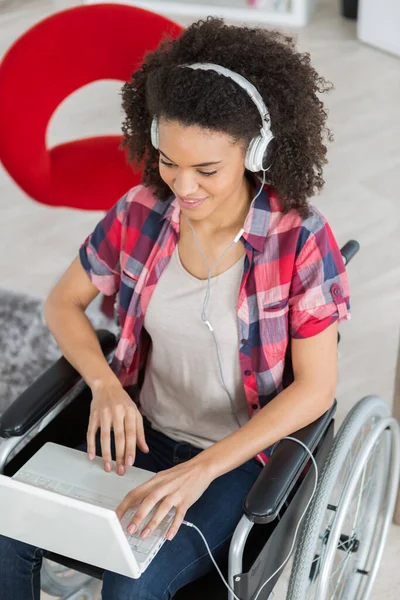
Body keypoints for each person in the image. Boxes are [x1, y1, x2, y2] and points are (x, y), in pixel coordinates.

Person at [0, 16, 350, 600]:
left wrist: (203, 468)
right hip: (145, 431)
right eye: (167, 159)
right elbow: (64, 303)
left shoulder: (301, 240)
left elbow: (316, 390)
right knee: (9, 533)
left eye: (206, 170)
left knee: (129, 583)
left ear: (256, 151)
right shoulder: (142, 210)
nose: (182, 187)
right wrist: (107, 386)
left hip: (237, 459)